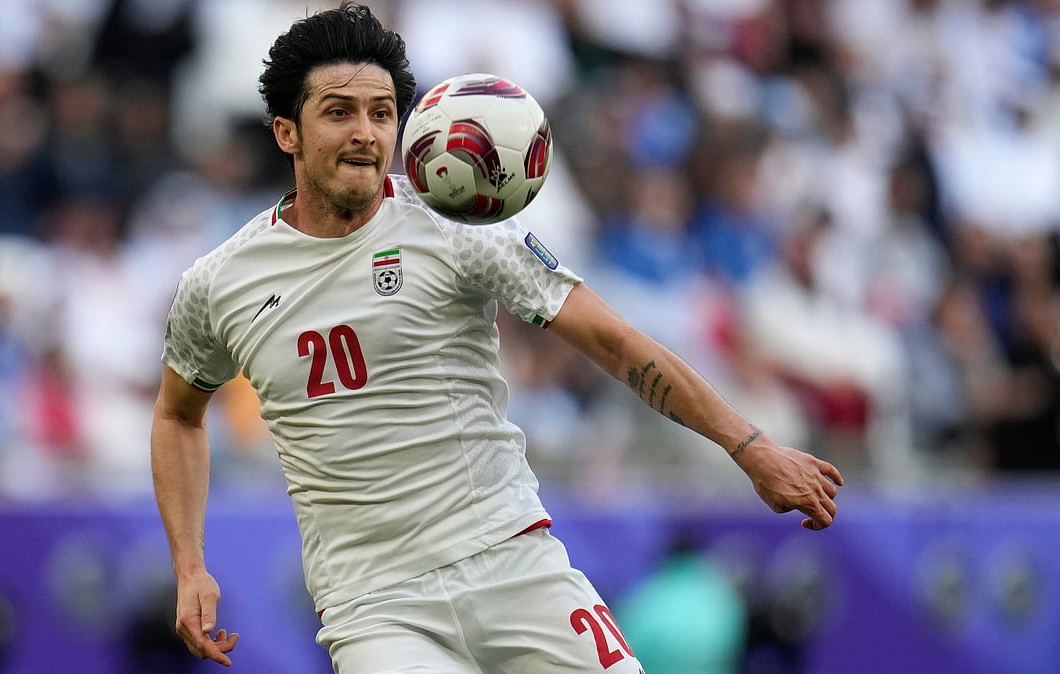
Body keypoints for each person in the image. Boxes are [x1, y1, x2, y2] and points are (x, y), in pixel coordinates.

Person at [150, 3, 844, 671]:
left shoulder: (455, 229)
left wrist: (748, 447)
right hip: (375, 605)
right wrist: (189, 564)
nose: (365, 132)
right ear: (286, 132)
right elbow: (178, 415)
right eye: (339, 112)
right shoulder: (219, 285)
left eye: (382, 113)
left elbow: (614, 341)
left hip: (512, 561)